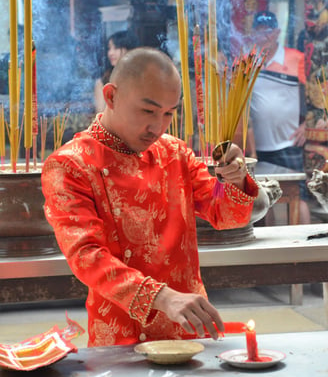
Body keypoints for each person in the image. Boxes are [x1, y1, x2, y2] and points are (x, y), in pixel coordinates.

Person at [42, 47, 259, 347]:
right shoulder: (71, 165)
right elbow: (87, 256)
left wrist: (235, 180)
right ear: (111, 96)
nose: (158, 127)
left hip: (189, 330)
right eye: (148, 111)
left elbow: (227, 215)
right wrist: (160, 297)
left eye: (169, 113)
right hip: (121, 336)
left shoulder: (176, 153)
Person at [249, 11, 311, 224]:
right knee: (264, 200)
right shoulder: (249, 61)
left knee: (298, 196)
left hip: (288, 142)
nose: (263, 36)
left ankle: (306, 252)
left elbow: (316, 93)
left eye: (268, 31)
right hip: (259, 146)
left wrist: (307, 124)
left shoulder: (296, 58)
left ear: (276, 32)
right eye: (259, 32)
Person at [94, 29, 139, 112]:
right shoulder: (104, 81)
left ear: (129, 49)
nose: (110, 53)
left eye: (116, 48)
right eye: (109, 48)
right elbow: (100, 114)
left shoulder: (141, 77)